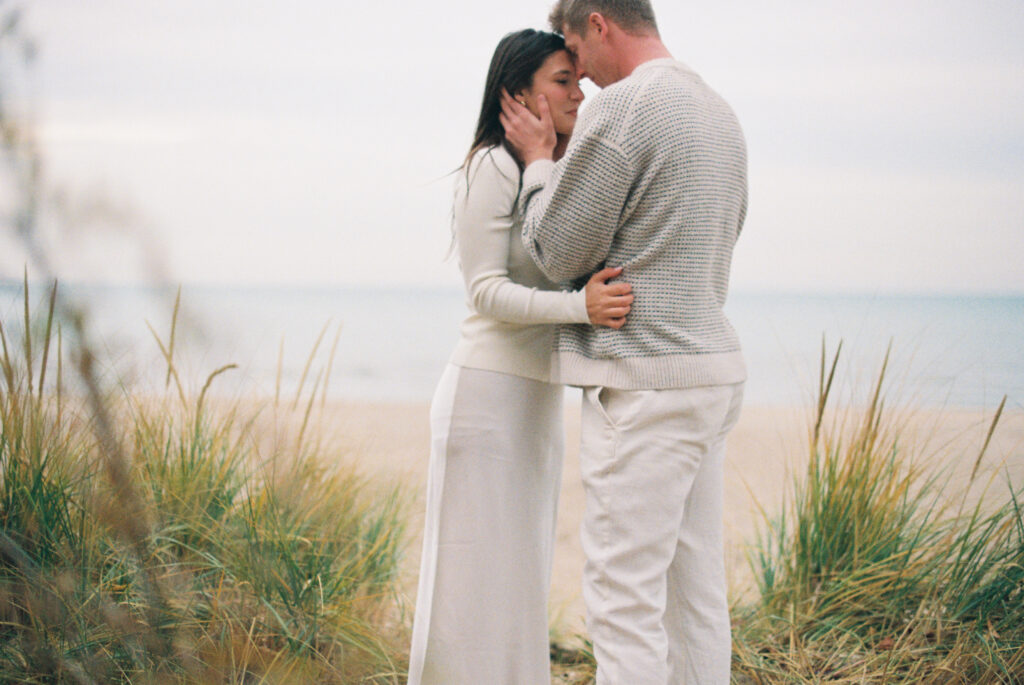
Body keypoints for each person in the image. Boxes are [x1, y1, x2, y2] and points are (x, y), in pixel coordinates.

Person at [498, 1, 748, 683]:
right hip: (712, 372)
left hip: (646, 383)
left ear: (600, 24)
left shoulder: (626, 106)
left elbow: (554, 246)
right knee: (693, 596)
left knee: (622, 601)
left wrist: (540, 163)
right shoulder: (718, 111)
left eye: (576, 49)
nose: (579, 72)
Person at [406, 29, 634, 685]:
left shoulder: (549, 173)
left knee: (519, 570)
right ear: (517, 95)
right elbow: (486, 291)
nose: (579, 90)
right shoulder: (492, 166)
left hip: (535, 398)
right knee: (471, 574)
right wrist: (579, 309)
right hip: (486, 395)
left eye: (578, 78)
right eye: (562, 79)